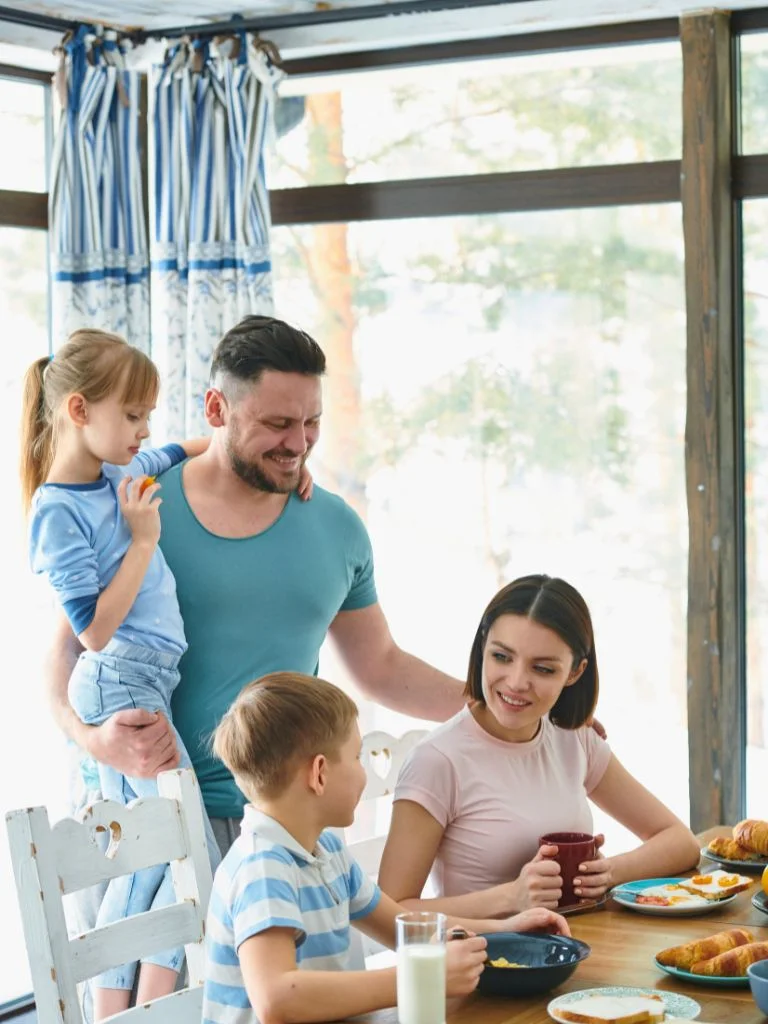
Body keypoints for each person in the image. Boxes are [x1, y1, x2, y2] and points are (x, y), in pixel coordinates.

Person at [44, 315, 470, 859]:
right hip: (151, 822)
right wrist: (90, 738)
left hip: (288, 825)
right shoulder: (138, 505)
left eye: (312, 422)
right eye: (277, 424)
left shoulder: (337, 528)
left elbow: (381, 665)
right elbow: (67, 646)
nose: (298, 444)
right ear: (217, 409)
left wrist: (505, 707)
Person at [20, 329, 310, 1019]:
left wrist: (288, 462)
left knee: (169, 855)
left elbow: (184, 447)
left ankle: (134, 1007)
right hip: (121, 680)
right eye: (132, 415)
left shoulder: (122, 476)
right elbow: (91, 628)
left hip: (149, 681)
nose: (143, 430)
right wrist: (144, 541)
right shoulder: (56, 510)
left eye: (148, 415)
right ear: (80, 411)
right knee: (171, 849)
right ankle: (121, 1009)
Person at [203, 671, 570, 1024]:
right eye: (357, 757)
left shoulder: (326, 851)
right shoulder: (262, 867)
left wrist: (506, 929)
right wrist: (421, 978)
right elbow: (277, 1000)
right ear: (320, 773)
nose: (365, 771)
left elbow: (403, 927)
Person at [378, 574, 701, 917]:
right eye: (502, 657)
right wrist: (512, 898)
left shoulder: (575, 739)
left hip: (577, 948)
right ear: (482, 649)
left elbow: (681, 842)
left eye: (543, 668)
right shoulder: (437, 761)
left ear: (574, 673)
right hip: (480, 963)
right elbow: (391, 914)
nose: (517, 683)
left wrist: (608, 873)